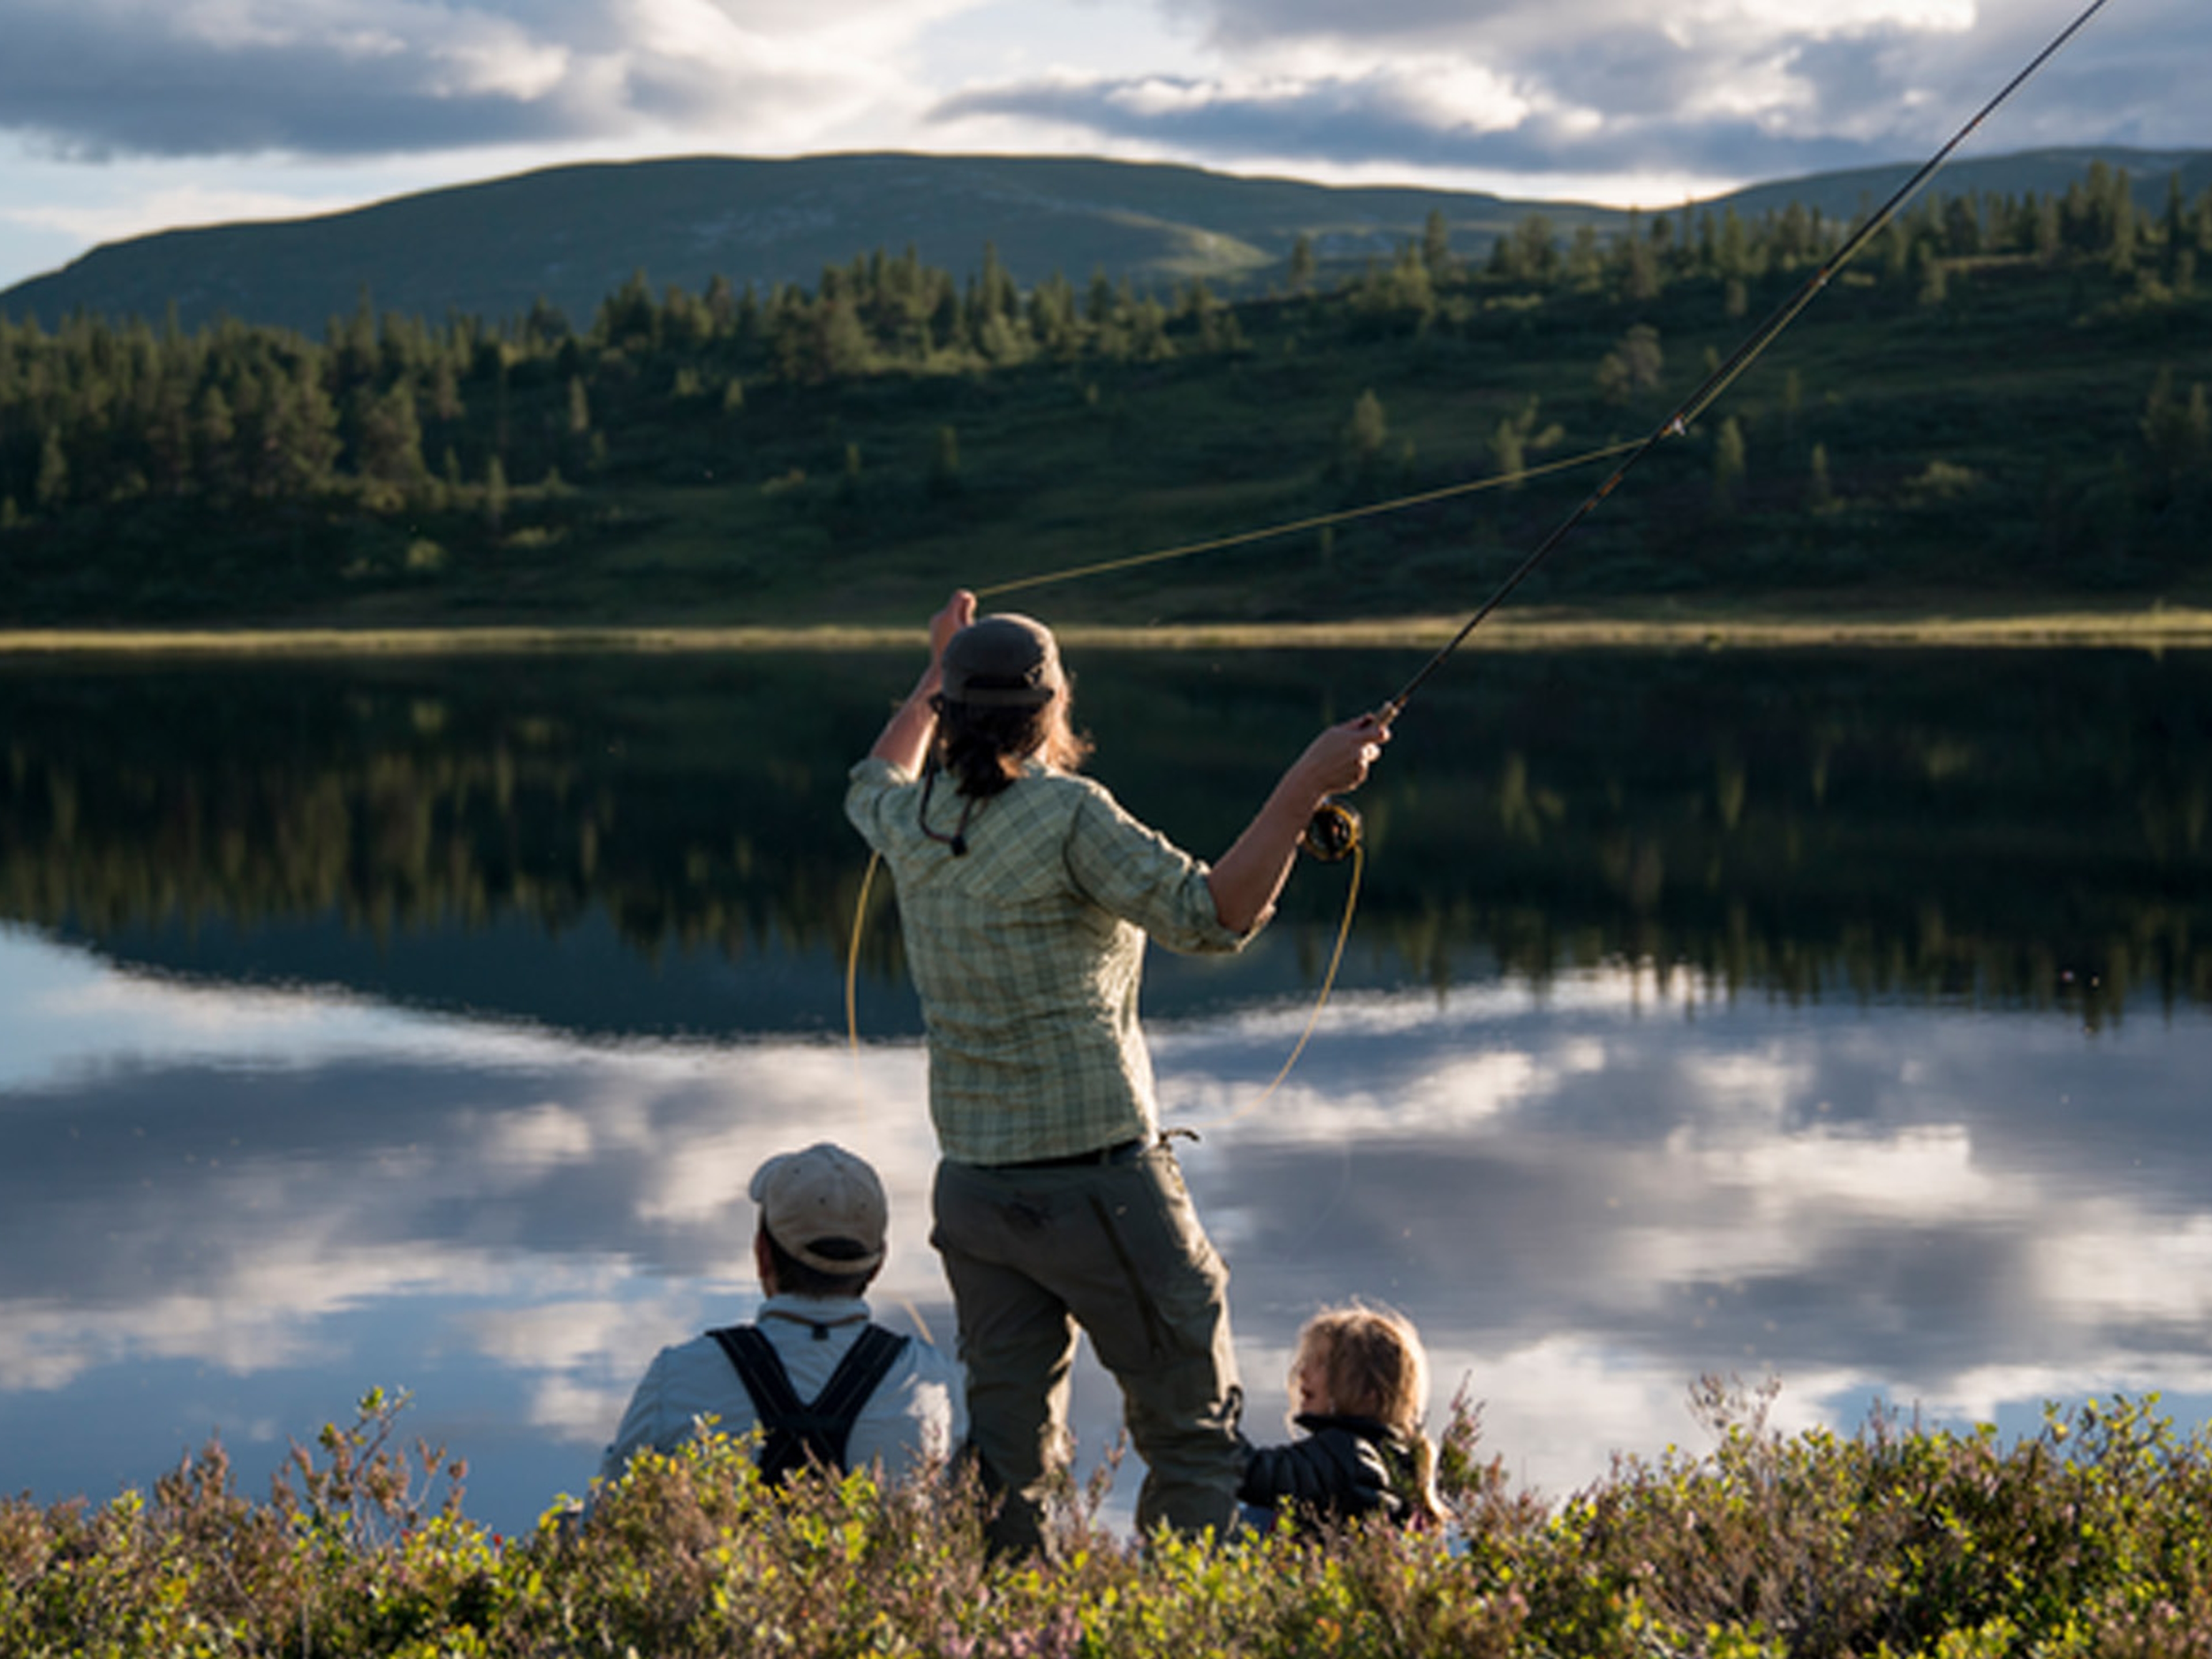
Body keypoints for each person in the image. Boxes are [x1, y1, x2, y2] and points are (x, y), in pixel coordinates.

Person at [844, 588, 1389, 1552]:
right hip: (1103, 1190)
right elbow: (1214, 916)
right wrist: (1305, 784)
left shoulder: (913, 820)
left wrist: (937, 668)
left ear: (948, 715)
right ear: (1055, 707)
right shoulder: (1067, 814)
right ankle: (1174, 1632)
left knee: (1006, 1460)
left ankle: (1009, 1627)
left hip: (972, 1193)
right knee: (1192, 1444)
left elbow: (870, 778)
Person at [593, 1142, 964, 1496]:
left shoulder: (676, 1375)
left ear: (762, 1254)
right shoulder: (939, 1384)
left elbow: (601, 1527)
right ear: (877, 1265)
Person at [1237, 1302, 1447, 1532]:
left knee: (1258, 1512)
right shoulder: (1396, 1456)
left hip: (1308, 1567)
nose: (1302, 1373)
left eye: (1321, 1364)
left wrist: (1210, 1422)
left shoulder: (1344, 1455)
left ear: (1367, 1392)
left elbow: (1249, 1473)